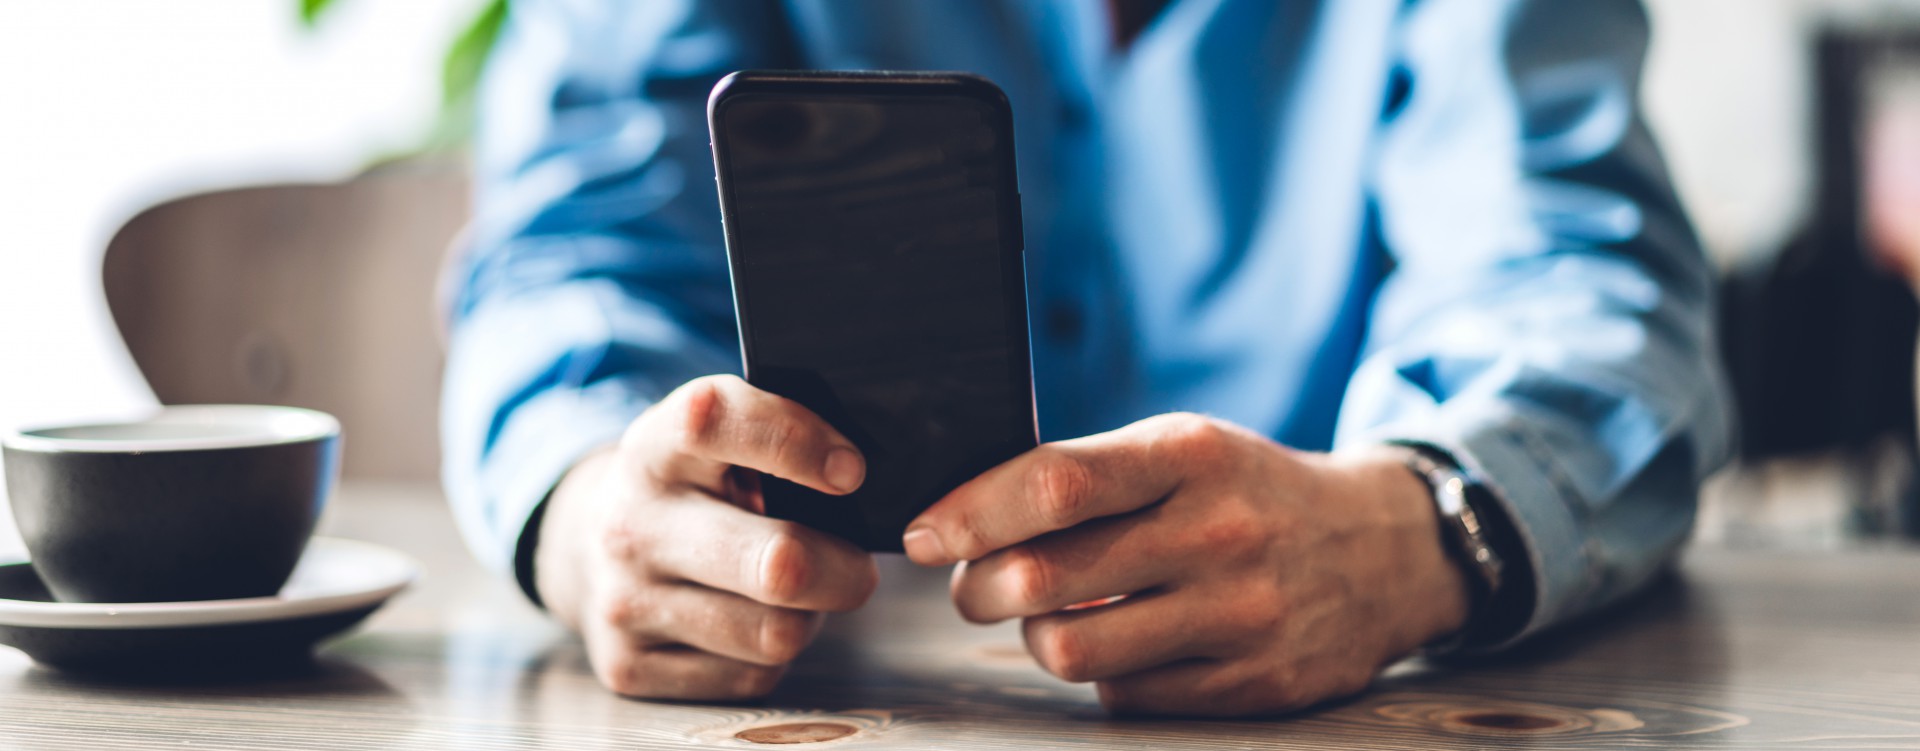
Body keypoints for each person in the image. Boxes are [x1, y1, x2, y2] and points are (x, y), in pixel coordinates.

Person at [441, 0, 1732, 716]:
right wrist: (581, 504)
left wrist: (1424, 531)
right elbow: (569, 258)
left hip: (1350, 712)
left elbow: (1571, 271)